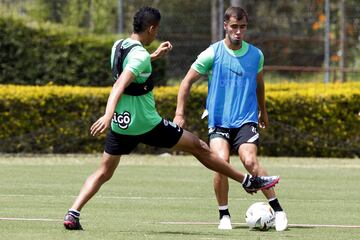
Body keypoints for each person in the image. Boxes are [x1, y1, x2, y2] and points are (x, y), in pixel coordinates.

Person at [63, 6, 280, 230]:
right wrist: (106, 115)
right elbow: (120, 84)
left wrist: (153, 57)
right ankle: (246, 180)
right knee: (200, 147)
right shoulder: (139, 56)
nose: (156, 35)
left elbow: (133, 66)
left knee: (104, 171)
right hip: (147, 123)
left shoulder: (119, 46)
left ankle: (73, 212)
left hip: (122, 124)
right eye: (156, 31)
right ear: (151, 28)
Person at [174, 7, 288, 231]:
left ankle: (279, 210)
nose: (238, 31)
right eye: (234, 27)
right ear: (225, 26)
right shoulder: (212, 53)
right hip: (219, 122)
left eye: (242, 27)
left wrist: (263, 110)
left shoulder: (256, 54)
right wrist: (179, 113)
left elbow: (259, 83)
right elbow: (186, 82)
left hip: (246, 119)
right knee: (220, 162)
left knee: (250, 161)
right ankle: (224, 215)